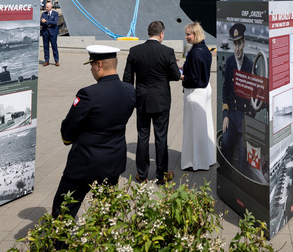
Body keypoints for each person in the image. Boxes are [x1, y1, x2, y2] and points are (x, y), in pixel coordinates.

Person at [52, 45, 136, 218]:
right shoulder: (130, 91)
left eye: (91, 65)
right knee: (106, 212)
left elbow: (68, 130)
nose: (91, 70)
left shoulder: (88, 94)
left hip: (84, 163)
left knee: (63, 211)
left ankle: (58, 244)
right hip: (112, 161)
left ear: (99, 65)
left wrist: (68, 138)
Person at [123, 21, 181, 183]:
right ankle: (161, 175)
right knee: (161, 137)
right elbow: (176, 75)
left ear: (149, 32)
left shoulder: (134, 51)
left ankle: (142, 175)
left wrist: (131, 98)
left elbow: (127, 78)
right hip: (161, 100)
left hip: (141, 99)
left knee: (143, 135)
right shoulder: (167, 52)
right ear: (161, 33)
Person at [221, 23, 257, 173]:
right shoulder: (229, 62)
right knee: (225, 146)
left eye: (239, 44)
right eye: (234, 44)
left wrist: (249, 120)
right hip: (232, 115)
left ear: (244, 43)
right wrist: (225, 115)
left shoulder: (251, 65)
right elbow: (226, 90)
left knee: (243, 159)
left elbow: (256, 98)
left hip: (245, 118)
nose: (236, 48)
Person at [180, 22, 216, 171]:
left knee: (194, 129)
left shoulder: (195, 52)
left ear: (196, 34)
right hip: (205, 89)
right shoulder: (204, 49)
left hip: (195, 93)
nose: (187, 37)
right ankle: (207, 157)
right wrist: (185, 68)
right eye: (186, 34)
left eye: (189, 34)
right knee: (205, 126)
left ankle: (195, 162)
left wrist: (180, 75)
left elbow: (194, 79)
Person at [40, 1, 60, 66]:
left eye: (47, 7)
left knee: (54, 47)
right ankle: (46, 60)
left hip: (53, 33)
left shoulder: (55, 13)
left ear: (51, 7)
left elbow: (55, 22)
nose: (46, 8)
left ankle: (56, 61)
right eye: (46, 7)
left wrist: (46, 21)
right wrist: (48, 23)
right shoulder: (43, 14)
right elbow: (41, 23)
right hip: (45, 33)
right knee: (46, 48)